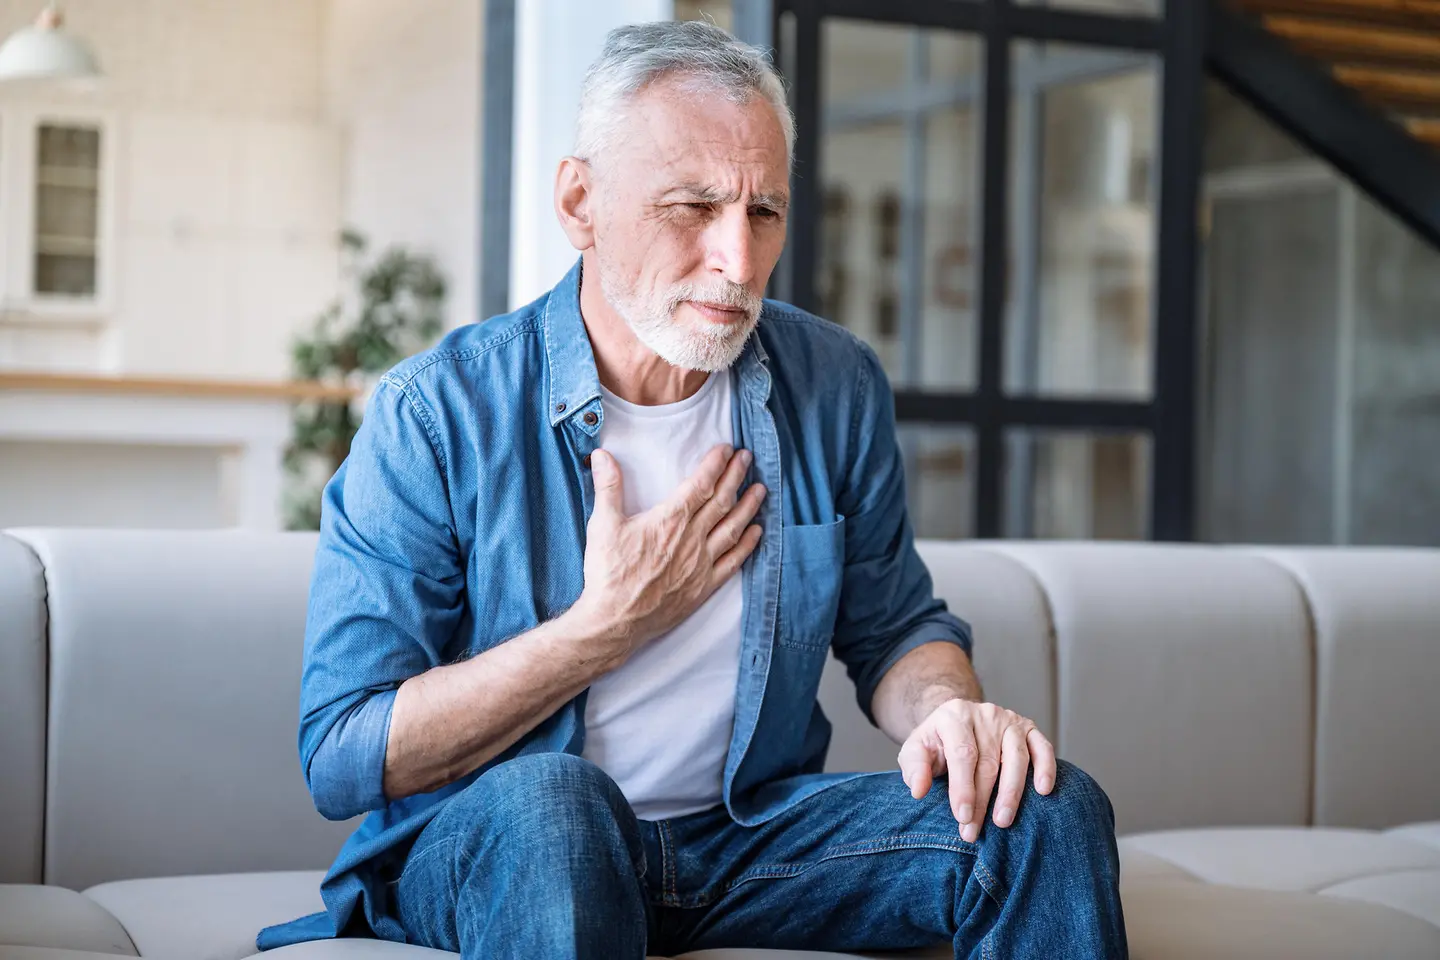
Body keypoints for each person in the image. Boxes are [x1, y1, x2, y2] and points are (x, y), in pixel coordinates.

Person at [258, 19, 1126, 960]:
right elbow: (344, 753)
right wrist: (603, 630)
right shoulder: (437, 412)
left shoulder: (833, 384)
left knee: (1044, 810)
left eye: (764, 213)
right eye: (692, 207)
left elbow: (894, 630)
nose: (739, 261)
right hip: (504, 844)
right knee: (558, 805)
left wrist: (951, 712)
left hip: (747, 840)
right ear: (580, 202)